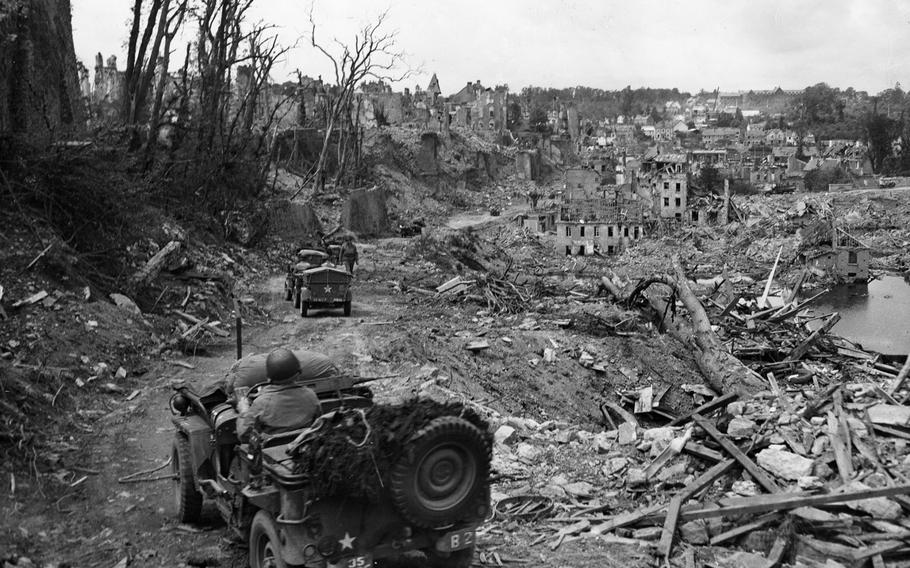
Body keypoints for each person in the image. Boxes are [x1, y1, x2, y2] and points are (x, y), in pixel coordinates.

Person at [235, 348, 323, 441]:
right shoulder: (311, 395)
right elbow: (318, 423)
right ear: (298, 374)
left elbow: (244, 435)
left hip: (270, 452)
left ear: (268, 378)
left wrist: (244, 411)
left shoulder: (261, 403)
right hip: (303, 448)